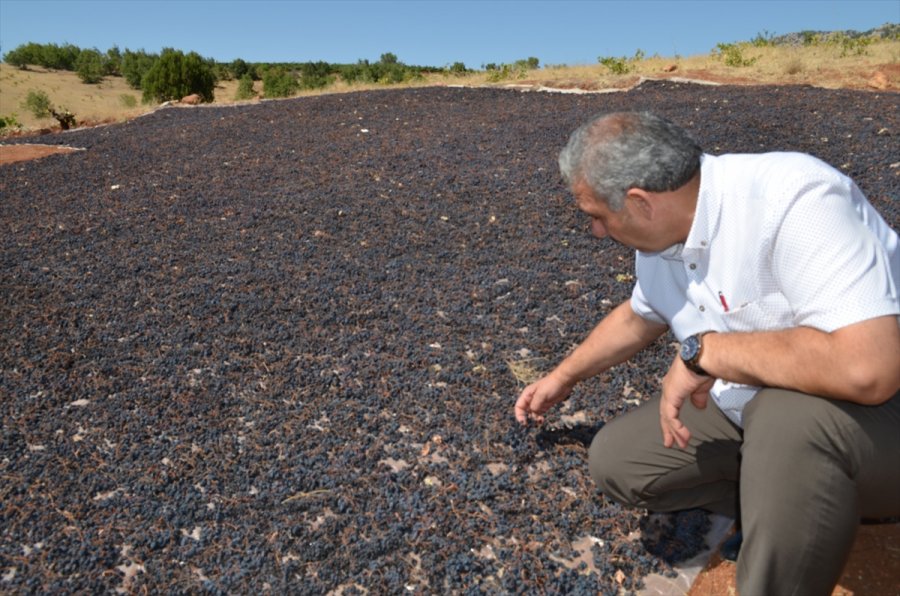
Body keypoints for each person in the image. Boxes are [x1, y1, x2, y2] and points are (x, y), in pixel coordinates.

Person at [514, 111, 900, 595]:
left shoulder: (795, 197)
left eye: (597, 216)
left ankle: (790, 538)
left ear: (640, 202)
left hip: (880, 419)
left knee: (788, 422)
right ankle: (782, 498)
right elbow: (639, 316)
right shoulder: (661, 242)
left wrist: (706, 352)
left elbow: (868, 368)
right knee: (618, 461)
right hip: (755, 411)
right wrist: (562, 377)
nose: (595, 230)